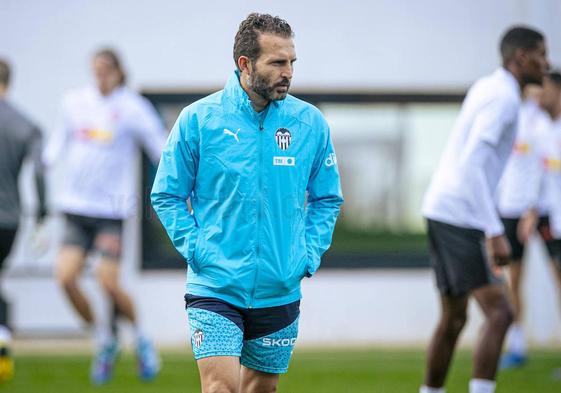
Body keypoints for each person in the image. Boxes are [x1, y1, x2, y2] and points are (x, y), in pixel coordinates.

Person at [151, 13, 343, 393]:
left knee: (260, 389)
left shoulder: (310, 124)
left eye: (291, 62)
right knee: (221, 388)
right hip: (215, 286)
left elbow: (327, 199)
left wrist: (307, 254)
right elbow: (167, 195)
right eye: (277, 62)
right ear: (245, 64)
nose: (288, 72)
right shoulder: (198, 120)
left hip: (280, 286)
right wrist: (198, 250)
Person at [420, 26, 548, 393]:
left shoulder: (488, 86)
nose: (547, 62)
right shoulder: (504, 98)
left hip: (444, 208)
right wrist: (494, 232)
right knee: (501, 311)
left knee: (455, 318)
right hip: (461, 215)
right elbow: (473, 165)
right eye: (541, 53)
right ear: (521, 57)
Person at [43, 48, 166, 384]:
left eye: (106, 70)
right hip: (75, 208)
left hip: (111, 210)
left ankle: (141, 338)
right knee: (65, 278)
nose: (100, 76)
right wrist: (42, 164)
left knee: (107, 281)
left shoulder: (132, 107)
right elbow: (55, 146)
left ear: (118, 72)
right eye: (95, 69)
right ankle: (104, 341)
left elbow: (160, 146)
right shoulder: (74, 102)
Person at [498, 72, 561, 368]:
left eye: (543, 89)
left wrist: (534, 209)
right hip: (511, 208)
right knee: (513, 279)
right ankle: (517, 345)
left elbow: (544, 168)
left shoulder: (548, 124)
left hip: (545, 209)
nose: (538, 94)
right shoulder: (512, 115)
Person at [0, 58, 46, 382]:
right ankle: (2, 341)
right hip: (9, 219)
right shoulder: (25, 125)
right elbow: (41, 171)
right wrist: (42, 211)